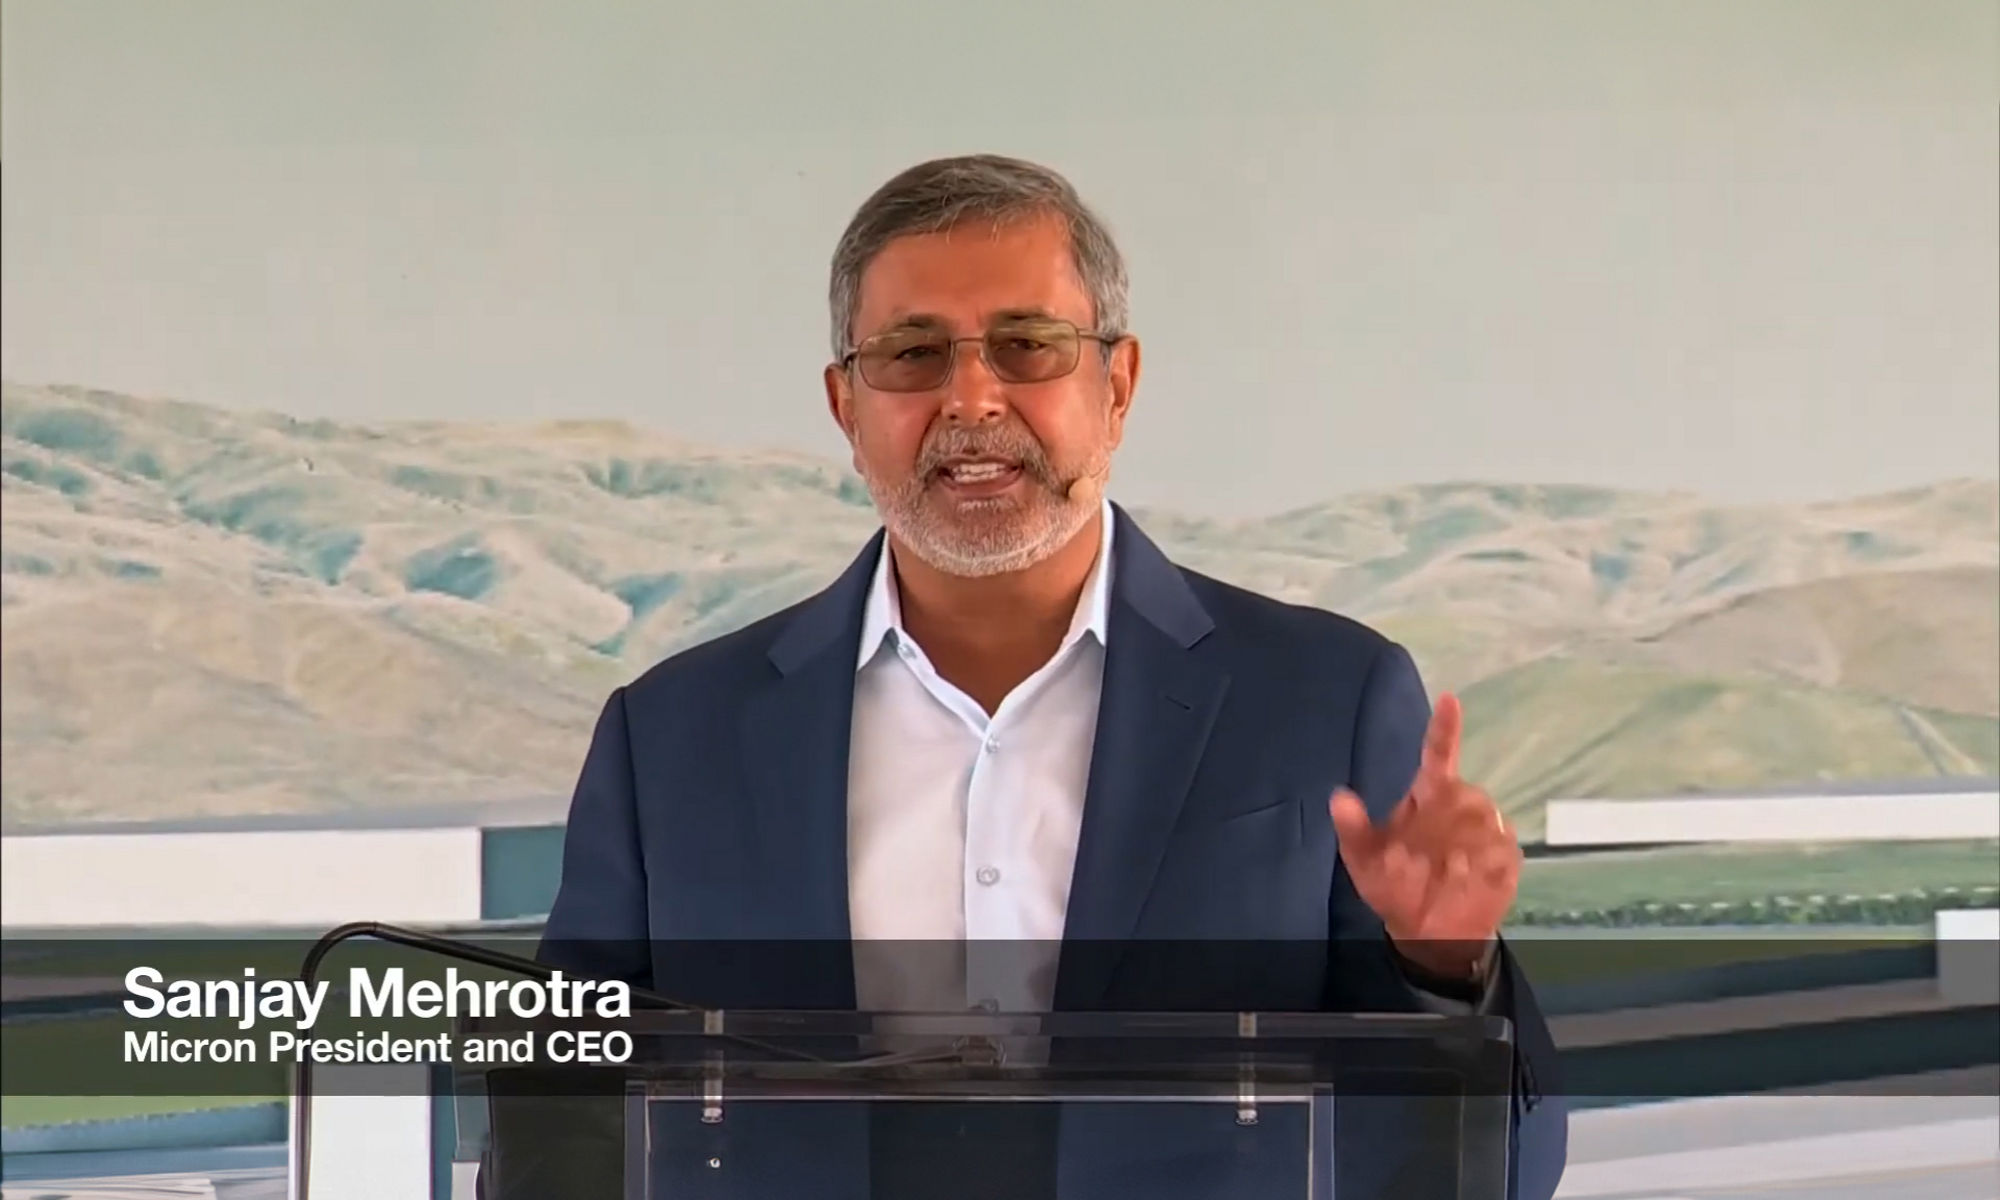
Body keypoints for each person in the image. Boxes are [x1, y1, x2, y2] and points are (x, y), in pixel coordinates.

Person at [527, 154, 1567, 1199]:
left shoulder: (1324, 699)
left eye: (1027, 347)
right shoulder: (670, 742)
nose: (970, 396)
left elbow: (1491, 1174)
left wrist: (1443, 976)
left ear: (1114, 387)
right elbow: (557, 1144)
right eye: (912, 353)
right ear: (846, 408)